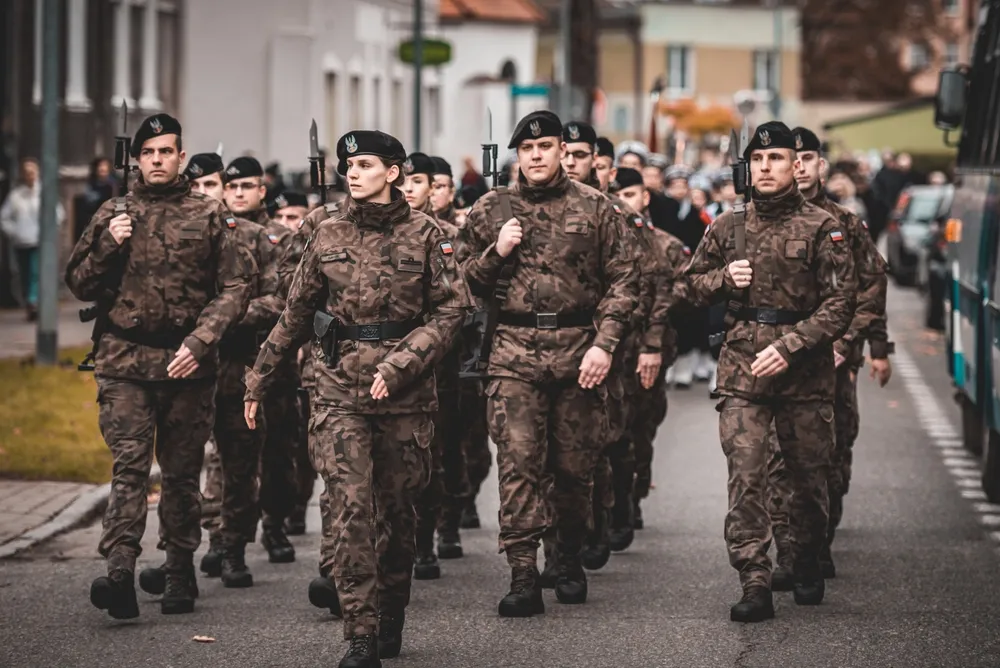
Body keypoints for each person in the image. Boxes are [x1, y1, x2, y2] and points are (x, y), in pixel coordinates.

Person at [243, 129, 471, 667]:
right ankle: (360, 632)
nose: (352, 171)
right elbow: (296, 312)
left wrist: (403, 362)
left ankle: (391, 613)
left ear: (392, 172)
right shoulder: (326, 232)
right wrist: (259, 376)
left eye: (365, 163)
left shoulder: (426, 234)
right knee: (350, 511)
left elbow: (452, 311)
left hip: (405, 396)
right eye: (348, 164)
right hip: (337, 389)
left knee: (396, 514)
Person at [65, 114, 251, 618]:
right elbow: (78, 282)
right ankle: (120, 570)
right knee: (128, 467)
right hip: (124, 359)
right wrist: (108, 243)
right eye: (148, 153)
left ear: (180, 156)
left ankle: (177, 570)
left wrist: (203, 338)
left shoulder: (210, 214)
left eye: (165, 151)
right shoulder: (113, 212)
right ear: (137, 159)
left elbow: (235, 287)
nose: (156, 161)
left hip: (186, 363)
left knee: (181, 472)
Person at [459, 110, 639, 616]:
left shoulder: (597, 208)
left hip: (579, 347)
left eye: (546, 147)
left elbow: (625, 280)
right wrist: (496, 252)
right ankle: (522, 572)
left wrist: (605, 343)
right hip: (513, 349)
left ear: (564, 150)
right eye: (528, 149)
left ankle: (567, 557)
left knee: (574, 467)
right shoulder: (491, 208)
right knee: (518, 464)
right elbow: (458, 279)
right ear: (518, 154)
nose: (536, 156)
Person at [684, 121, 855, 623]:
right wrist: (722, 278)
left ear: (795, 166)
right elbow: (688, 287)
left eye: (777, 159)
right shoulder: (728, 225)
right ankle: (754, 579)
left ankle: (804, 559)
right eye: (758, 160)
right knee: (747, 474)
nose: (766, 167)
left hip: (803, 373)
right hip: (742, 368)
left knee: (806, 478)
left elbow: (841, 303)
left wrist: (792, 345)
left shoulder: (824, 227)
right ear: (748, 167)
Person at [610, 167, 689, 532]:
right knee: (610, 431)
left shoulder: (666, 245)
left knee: (641, 427)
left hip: (647, 350)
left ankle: (634, 492)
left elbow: (677, 293)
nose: (623, 203)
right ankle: (614, 502)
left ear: (644, 198)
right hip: (610, 349)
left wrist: (653, 343)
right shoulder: (604, 242)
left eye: (630, 195)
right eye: (617, 195)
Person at [1, 157, 63, 321]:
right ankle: (30, 303)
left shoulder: (44, 193)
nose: (29, 175)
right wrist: (14, 232)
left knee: (36, 273)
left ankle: (33, 302)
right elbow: (4, 218)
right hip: (21, 242)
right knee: (24, 274)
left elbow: (58, 214)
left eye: (32, 172)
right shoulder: (16, 195)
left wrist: (48, 232)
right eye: (26, 172)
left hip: (39, 241)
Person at [73, 157, 117, 243]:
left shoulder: (115, 185)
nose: (102, 169)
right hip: (94, 222)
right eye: (100, 166)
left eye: (105, 166)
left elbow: (120, 202)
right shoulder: (92, 185)